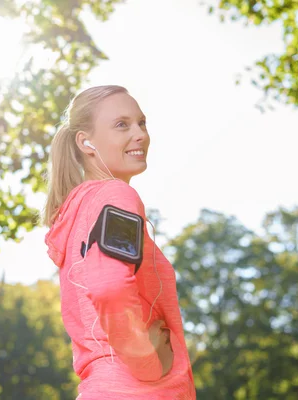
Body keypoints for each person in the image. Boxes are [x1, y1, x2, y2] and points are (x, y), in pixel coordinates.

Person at [43, 85, 196, 399]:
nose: (140, 134)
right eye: (122, 125)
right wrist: (145, 359)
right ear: (86, 142)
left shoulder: (78, 210)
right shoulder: (116, 196)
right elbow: (108, 286)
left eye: (142, 123)